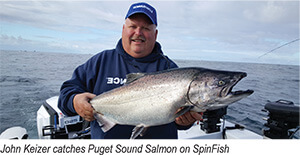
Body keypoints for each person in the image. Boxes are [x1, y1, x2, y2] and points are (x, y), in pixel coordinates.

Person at [58, 2, 202, 139]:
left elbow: (180, 120)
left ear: (155, 34)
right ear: (123, 29)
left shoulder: (170, 70)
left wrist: (184, 122)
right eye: (132, 26)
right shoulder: (101, 61)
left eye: (146, 28)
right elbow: (65, 94)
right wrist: (74, 101)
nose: (138, 33)